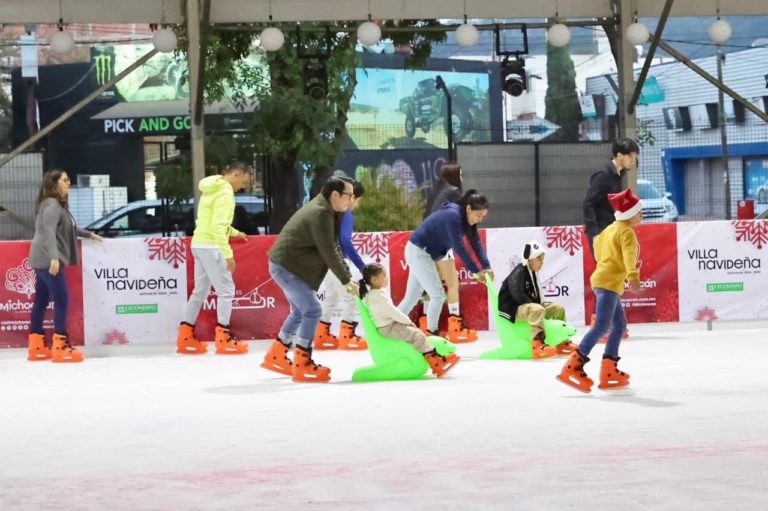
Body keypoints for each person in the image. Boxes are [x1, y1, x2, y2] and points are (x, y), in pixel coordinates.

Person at [261, 177, 357, 383]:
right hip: (287, 267)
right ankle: (303, 362)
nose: (351, 200)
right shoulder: (321, 213)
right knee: (312, 310)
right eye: (348, 195)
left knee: (299, 311)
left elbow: (333, 245)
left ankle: (276, 354)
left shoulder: (330, 211)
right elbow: (329, 250)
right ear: (335, 195)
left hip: (288, 265)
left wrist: (347, 275)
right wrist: (346, 280)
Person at [557, 188, 642, 393]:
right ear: (629, 213)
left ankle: (609, 368)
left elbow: (598, 250)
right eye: (639, 212)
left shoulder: (610, 229)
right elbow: (630, 256)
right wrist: (632, 275)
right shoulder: (627, 232)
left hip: (603, 280)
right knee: (602, 326)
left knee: (619, 324)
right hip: (609, 283)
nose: (642, 215)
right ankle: (573, 366)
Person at [398, 189, 493, 343]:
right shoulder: (453, 216)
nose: (480, 220)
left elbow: (476, 243)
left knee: (411, 298)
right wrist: (476, 272)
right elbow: (460, 248)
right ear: (469, 209)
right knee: (437, 295)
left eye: (483, 216)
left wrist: (486, 266)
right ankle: (432, 336)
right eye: (478, 215)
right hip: (418, 251)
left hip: (423, 252)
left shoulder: (466, 219)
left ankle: (388, 329)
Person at [28, 169, 103, 363]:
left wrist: (89, 235)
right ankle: (60, 346)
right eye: (64, 180)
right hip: (47, 258)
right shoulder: (52, 204)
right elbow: (49, 232)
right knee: (62, 298)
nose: (68, 183)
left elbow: (68, 227)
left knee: (42, 299)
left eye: (68, 179)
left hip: (41, 257)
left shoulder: (55, 205)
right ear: (54, 184)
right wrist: (54, 258)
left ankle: (36, 345)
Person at [176, 162, 251, 356]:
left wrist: (234, 232)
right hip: (212, 246)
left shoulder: (211, 188)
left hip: (199, 243)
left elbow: (211, 221)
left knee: (199, 291)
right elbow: (218, 227)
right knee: (226, 291)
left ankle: (185, 336)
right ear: (236, 174)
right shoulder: (225, 192)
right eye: (243, 180)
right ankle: (223, 338)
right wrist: (228, 255)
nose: (243, 186)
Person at [360, 263, 459, 377]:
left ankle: (435, 357)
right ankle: (436, 363)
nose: (386, 278)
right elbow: (392, 312)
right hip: (388, 328)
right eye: (384, 276)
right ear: (374, 279)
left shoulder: (375, 294)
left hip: (389, 325)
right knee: (418, 335)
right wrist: (407, 321)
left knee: (416, 332)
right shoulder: (377, 296)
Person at [498, 241, 577, 359]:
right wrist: (536, 305)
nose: (542, 263)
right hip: (512, 308)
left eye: (543, 259)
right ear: (529, 259)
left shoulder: (533, 273)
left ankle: (562, 342)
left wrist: (538, 304)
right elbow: (518, 295)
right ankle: (537, 344)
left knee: (558, 309)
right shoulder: (519, 272)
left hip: (527, 305)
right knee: (537, 309)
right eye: (539, 259)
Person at [315, 179, 368, 350]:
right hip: (336, 259)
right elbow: (345, 241)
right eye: (358, 201)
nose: (357, 205)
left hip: (324, 259)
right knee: (350, 295)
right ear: (351, 198)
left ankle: (321, 334)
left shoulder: (333, 211)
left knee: (332, 297)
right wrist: (362, 266)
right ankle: (347, 335)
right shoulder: (346, 214)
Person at [419, 162, 464, 334]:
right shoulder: (453, 191)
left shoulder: (435, 192)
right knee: (452, 283)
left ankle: (426, 324)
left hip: (425, 242)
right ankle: (455, 326)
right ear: (454, 175)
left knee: (431, 284)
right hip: (441, 242)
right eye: (460, 174)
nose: (462, 178)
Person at [583, 137, 639, 257]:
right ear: (620, 156)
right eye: (631, 157)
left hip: (612, 229)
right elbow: (588, 203)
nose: (633, 161)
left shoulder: (618, 174)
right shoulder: (603, 175)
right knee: (608, 270)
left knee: (616, 271)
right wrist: (595, 234)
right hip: (601, 231)